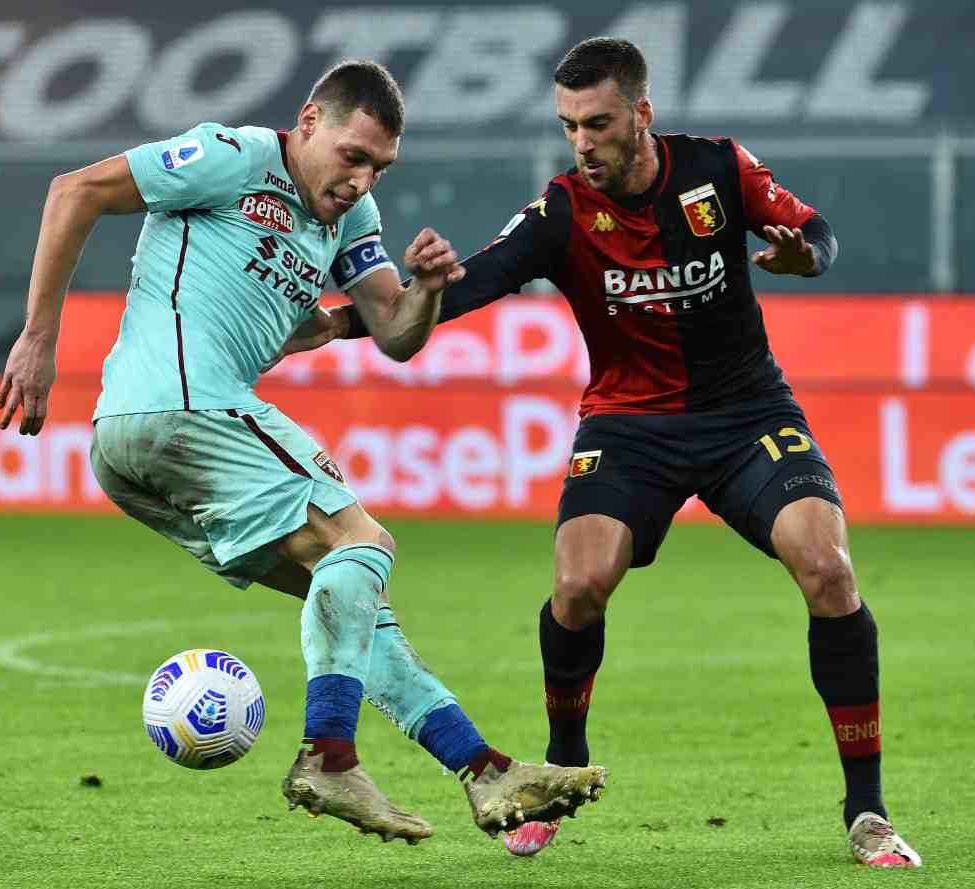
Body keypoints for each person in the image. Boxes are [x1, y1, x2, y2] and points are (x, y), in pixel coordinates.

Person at [317, 39, 921, 866]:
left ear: (641, 114)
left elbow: (814, 229)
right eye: (568, 125)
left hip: (747, 414)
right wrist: (336, 324)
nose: (582, 142)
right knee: (577, 584)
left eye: (597, 123)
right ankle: (562, 766)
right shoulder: (563, 210)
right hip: (629, 426)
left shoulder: (717, 168)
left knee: (829, 568)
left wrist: (802, 256)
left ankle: (868, 811)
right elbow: (470, 286)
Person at [0, 60, 605, 845]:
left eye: (379, 166)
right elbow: (73, 191)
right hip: (186, 406)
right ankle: (329, 754)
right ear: (310, 122)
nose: (360, 179)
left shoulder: (350, 219)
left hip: (136, 447)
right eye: (352, 156)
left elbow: (392, 332)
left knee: (354, 602)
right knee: (365, 544)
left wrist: (423, 290)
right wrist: (41, 335)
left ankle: (484, 769)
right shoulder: (233, 156)